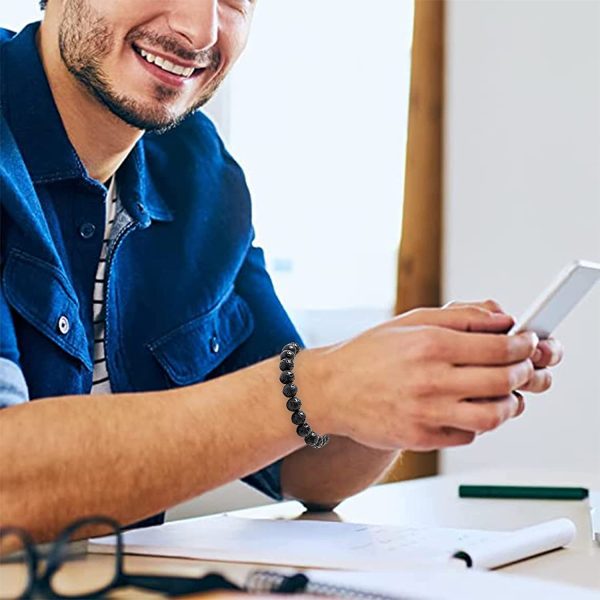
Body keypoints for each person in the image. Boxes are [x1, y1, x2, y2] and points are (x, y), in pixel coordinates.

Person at [0, 0, 563, 544]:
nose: (200, 30)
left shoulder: (201, 173)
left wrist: (403, 385)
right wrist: (324, 385)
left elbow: (305, 465)